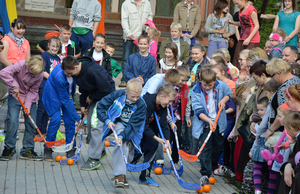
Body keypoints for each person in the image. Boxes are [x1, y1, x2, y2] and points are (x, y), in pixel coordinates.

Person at [83, 78, 146, 188]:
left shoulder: (141, 104)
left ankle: (123, 167)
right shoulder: (117, 95)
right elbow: (101, 106)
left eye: (138, 96)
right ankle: (120, 176)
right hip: (118, 122)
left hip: (132, 127)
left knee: (129, 156)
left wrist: (123, 135)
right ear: (126, 92)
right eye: (132, 97)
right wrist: (107, 121)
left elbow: (134, 125)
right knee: (122, 145)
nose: (135, 99)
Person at [191, 65, 231, 185]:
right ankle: (205, 173)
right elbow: (198, 111)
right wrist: (209, 121)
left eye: (210, 85)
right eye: (205, 85)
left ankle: (212, 168)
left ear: (215, 81)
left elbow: (228, 94)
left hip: (219, 122)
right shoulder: (196, 91)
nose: (207, 87)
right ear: (200, 81)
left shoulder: (221, 86)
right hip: (205, 124)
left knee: (218, 148)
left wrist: (223, 101)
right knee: (205, 148)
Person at [63, 55, 115, 144]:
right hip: (94, 95)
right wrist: (83, 104)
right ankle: (93, 144)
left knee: (96, 124)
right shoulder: (76, 73)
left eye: (70, 73)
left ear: (76, 67)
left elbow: (106, 89)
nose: (69, 75)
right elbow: (83, 88)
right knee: (90, 123)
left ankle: (97, 152)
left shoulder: (93, 71)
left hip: (105, 96)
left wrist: (91, 97)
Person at [0, 56, 44, 161]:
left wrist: (28, 105)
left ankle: (27, 149)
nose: (33, 75)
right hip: (16, 95)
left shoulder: (40, 74)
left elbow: (34, 90)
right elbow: (3, 73)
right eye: (32, 72)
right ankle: (9, 147)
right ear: (29, 65)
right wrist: (14, 85)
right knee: (12, 121)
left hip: (30, 97)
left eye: (35, 74)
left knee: (30, 123)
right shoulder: (21, 65)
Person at [42, 57, 81, 161]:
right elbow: (64, 99)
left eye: (70, 73)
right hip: (53, 96)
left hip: (67, 95)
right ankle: (48, 148)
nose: (69, 75)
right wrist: (78, 117)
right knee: (56, 120)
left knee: (70, 121)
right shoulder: (59, 76)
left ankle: (70, 147)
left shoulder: (75, 70)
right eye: (67, 73)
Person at [136, 84, 175, 187]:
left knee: (153, 146)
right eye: (169, 101)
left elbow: (163, 124)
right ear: (162, 96)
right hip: (138, 128)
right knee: (137, 151)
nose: (170, 104)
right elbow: (143, 125)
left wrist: (167, 140)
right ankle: (131, 161)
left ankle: (144, 177)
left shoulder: (163, 106)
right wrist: (156, 137)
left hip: (149, 128)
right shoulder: (146, 102)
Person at [119, 0, 153, 87]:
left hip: (143, 36)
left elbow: (150, 16)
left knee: (144, 58)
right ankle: (125, 80)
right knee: (126, 58)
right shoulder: (126, 3)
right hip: (130, 35)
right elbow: (124, 20)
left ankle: (141, 79)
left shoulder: (147, 3)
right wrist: (128, 33)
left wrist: (148, 26)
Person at [248, 97, 278, 194]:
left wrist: (252, 151)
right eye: (258, 110)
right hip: (260, 147)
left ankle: (269, 191)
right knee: (257, 167)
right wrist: (252, 151)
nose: (260, 112)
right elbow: (256, 140)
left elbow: (257, 138)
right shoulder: (259, 123)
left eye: (262, 110)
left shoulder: (268, 124)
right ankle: (257, 190)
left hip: (268, 147)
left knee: (271, 170)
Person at [265, 58, 300, 141]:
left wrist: (271, 130)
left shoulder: (284, 88)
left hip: (283, 132)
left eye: (272, 76)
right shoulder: (296, 79)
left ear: (278, 73)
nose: (272, 79)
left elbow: (283, 112)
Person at [212, 63, 236, 177]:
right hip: (217, 121)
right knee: (216, 142)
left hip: (227, 121)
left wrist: (221, 113)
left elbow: (232, 107)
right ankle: (215, 163)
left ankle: (221, 165)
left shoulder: (226, 92)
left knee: (220, 142)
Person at [36, 36, 61, 139]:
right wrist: (53, 79)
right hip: (44, 86)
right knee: (41, 109)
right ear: (49, 45)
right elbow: (43, 71)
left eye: (57, 47)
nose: (55, 48)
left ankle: (44, 130)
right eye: (53, 46)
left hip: (53, 88)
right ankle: (37, 130)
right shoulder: (44, 55)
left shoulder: (58, 58)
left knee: (48, 110)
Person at [227, 0, 260, 69]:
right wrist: (232, 22)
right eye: (235, 4)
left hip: (252, 39)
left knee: (248, 57)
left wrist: (249, 38)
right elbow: (243, 23)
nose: (236, 6)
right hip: (243, 37)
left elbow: (257, 26)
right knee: (237, 56)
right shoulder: (240, 11)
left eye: (237, 3)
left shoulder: (251, 10)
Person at [278, 112, 300, 194]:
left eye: (286, 129)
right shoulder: (298, 140)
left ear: (291, 129)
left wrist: (295, 170)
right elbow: (294, 155)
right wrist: (288, 165)